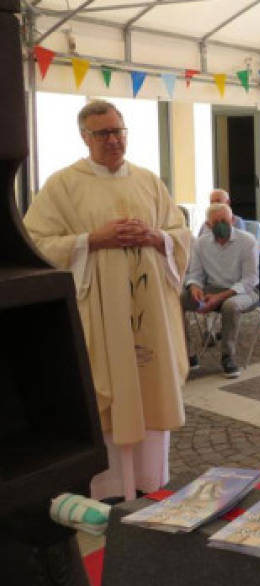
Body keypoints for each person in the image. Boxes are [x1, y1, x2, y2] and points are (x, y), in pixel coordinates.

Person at [23, 99, 192, 501]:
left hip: (150, 312)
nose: (114, 140)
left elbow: (180, 233)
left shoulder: (149, 180)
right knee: (110, 387)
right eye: (103, 133)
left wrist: (156, 237)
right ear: (85, 137)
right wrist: (91, 240)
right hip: (101, 313)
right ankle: (111, 484)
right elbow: (37, 243)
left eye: (119, 131)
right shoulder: (62, 185)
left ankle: (150, 478)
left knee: (150, 385)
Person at [181, 203, 259, 378]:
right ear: (208, 225)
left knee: (230, 306)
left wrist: (219, 297)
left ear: (232, 220)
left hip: (243, 291)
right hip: (212, 288)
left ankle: (228, 357)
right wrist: (194, 287)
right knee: (178, 298)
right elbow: (195, 274)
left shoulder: (247, 241)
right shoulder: (200, 244)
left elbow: (250, 279)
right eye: (216, 222)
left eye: (224, 220)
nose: (221, 225)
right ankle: (187, 352)